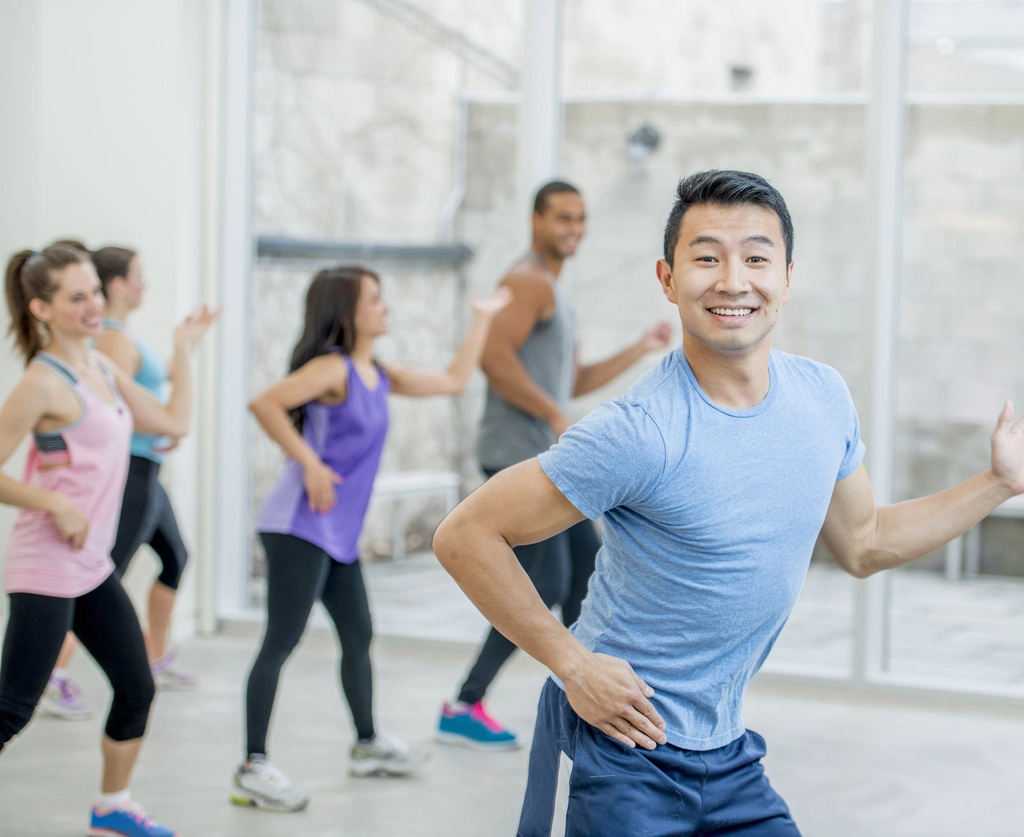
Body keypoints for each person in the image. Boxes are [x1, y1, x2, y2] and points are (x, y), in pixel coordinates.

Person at [433, 170, 1024, 836]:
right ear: (667, 278)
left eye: (757, 257)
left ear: (787, 277)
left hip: (728, 750)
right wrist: (571, 663)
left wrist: (997, 482)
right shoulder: (639, 431)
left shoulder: (822, 398)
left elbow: (865, 541)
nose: (734, 280)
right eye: (707, 257)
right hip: (620, 742)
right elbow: (466, 534)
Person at [231, 264, 512, 813]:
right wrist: (309, 462)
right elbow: (265, 403)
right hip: (297, 524)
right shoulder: (331, 369)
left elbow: (454, 381)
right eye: (375, 299)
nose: (385, 307)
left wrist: (482, 320)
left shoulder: (376, 373)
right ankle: (252, 767)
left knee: (358, 634)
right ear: (348, 312)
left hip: (335, 531)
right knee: (280, 643)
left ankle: (366, 744)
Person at [437, 180, 672, 750]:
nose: (574, 229)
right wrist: (551, 414)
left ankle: (600, 696)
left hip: (542, 449)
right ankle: (465, 704)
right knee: (541, 586)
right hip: (518, 454)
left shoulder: (554, 290)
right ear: (536, 219)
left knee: (586, 576)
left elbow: (569, 381)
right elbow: (494, 358)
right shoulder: (526, 280)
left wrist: (639, 349)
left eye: (581, 219)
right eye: (563, 218)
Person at [0, 242, 216, 837]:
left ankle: (112, 807)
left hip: (89, 566)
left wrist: (183, 350)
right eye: (77, 297)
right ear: (42, 309)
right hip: (45, 563)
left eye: (95, 290)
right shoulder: (42, 384)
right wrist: (52, 501)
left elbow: (174, 423)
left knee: (136, 686)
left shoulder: (105, 369)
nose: (94, 305)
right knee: (13, 709)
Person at [40, 245, 203, 725]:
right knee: (102, 577)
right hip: (131, 471)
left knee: (175, 558)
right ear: (118, 285)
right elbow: (106, 410)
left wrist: (186, 343)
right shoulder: (109, 343)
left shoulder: (120, 341)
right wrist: (157, 426)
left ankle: (154, 655)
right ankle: (54, 673)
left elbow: (150, 401)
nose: (144, 284)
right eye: (137, 276)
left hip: (148, 466)